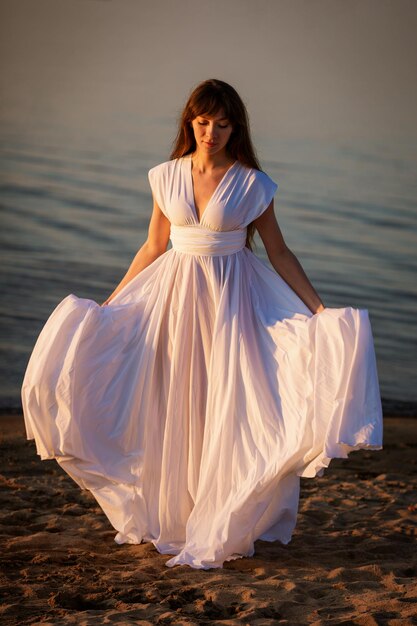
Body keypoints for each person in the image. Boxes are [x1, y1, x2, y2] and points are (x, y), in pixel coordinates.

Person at [21, 78, 383, 570]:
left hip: (232, 304)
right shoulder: (165, 175)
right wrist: (110, 305)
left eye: (222, 123)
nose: (211, 131)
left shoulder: (253, 183)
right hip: (173, 303)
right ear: (190, 122)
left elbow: (277, 251)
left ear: (237, 128)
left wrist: (318, 309)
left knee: (227, 408)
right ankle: (177, 516)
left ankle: (222, 515)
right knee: (175, 404)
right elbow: (154, 245)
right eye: (203, 121)